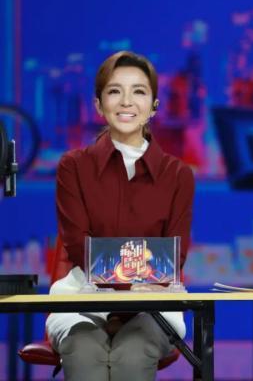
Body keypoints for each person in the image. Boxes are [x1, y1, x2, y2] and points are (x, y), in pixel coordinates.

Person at [45, 51, 195, 381]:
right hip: (83, 297)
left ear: (154, 106)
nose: (127, 101)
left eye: (139, 91)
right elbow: (80, 247)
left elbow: (173, 256)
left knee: (133, 351)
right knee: (83, 348)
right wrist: (137, 277)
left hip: (154, 302)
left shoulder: (178, 175)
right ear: (99, 105)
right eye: (115, 91)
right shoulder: (73, 167)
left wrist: (137, 282)